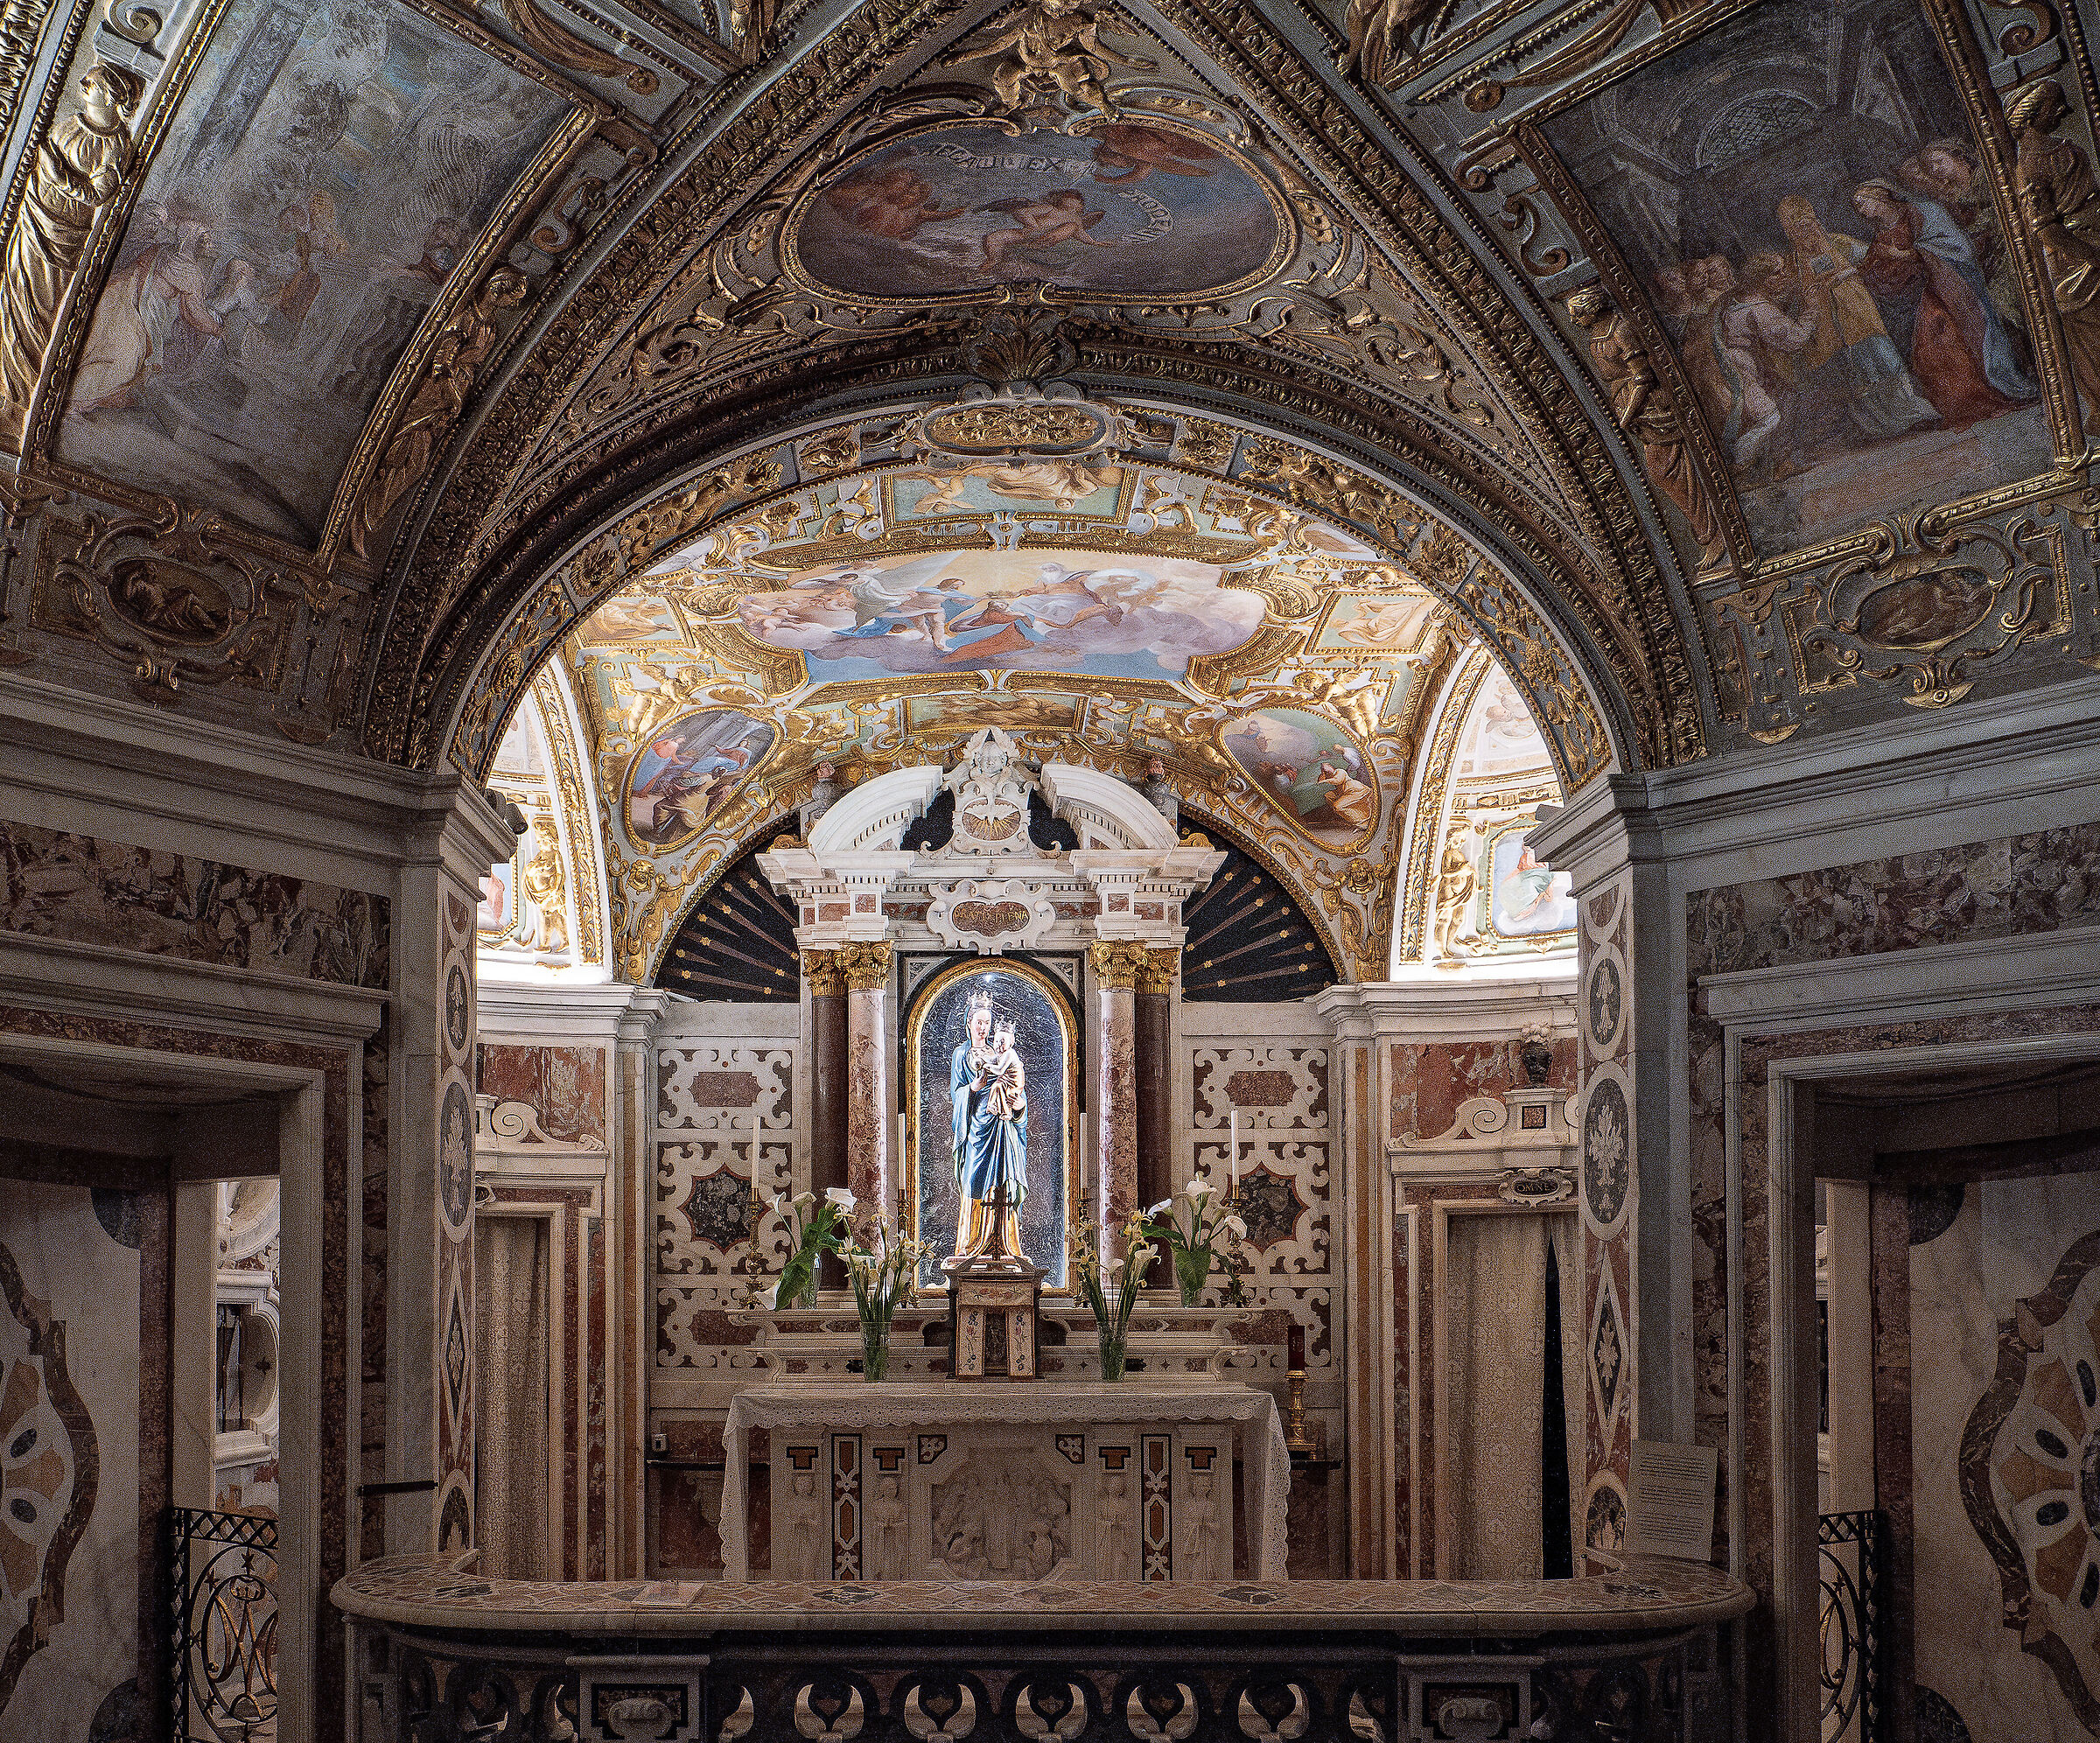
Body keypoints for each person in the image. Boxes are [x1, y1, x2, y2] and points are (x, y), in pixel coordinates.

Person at [1852, 179, 2034, 429]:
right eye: (1858, 207)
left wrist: (1907, 254)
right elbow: (1876, 266)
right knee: (1928, 348)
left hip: (1957, 285)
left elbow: (1958, 246)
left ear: (1880, 195)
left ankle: (1992, 387)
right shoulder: (1881, 234)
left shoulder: (1926, 211)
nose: (1862, 210)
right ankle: (1960, 403)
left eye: (1863, 203)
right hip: (1932, 291)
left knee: (1967, 335)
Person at [1771, 193, 1938, 447]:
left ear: (1816, 223)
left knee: (1885, 361)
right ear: (1791, 234)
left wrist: (1849, 272)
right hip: (1830, 330)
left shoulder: (1840, 244)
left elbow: (1871, 259)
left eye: (1808, 226)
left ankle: (1913, 411)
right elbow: (1788, 295)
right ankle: (1880, 426)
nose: (1807, 234)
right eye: (1799, 230)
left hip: (1861, 317)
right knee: (1856, 376)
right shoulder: (1793, 265)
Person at [2008, 78, 2100, 433]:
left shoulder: (2064, 148)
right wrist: (2091, 256)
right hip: (2077, 261)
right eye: (2054, 106)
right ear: (2032, 117)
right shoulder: (2029, 166)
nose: (2063, 110)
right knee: (2091, 339)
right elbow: (2045, 228)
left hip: (2093, 240)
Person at [951, 989, 1027, 1257]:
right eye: (978, 1022)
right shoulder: (961, 1055)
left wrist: (1019, 1106)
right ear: (969, 1023)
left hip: (1002, 1125)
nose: (983, 1028)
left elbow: (1018, 1088)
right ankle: (970, 1245)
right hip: (976, 1129)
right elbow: (956, 1094)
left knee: (1003, 1181)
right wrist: (974, 1086)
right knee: (973, 1178)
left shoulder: (1003, 1052)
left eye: (987, 1022)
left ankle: (1005, 1246)